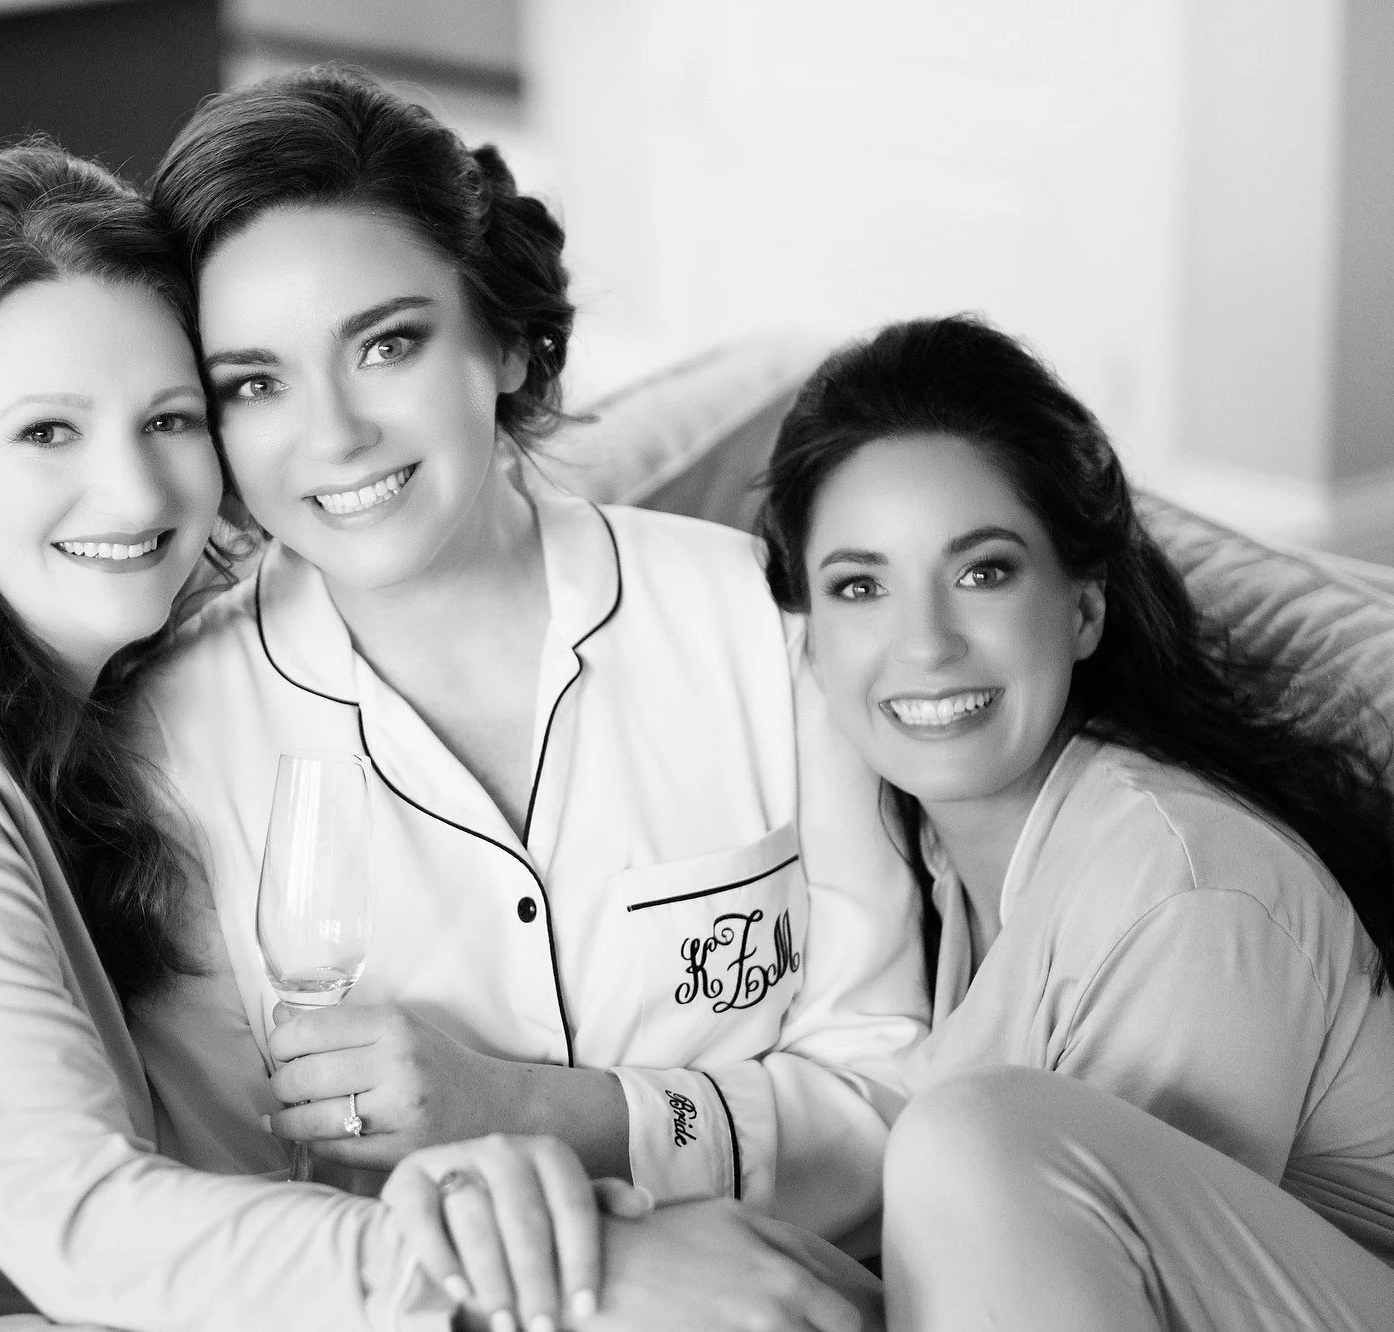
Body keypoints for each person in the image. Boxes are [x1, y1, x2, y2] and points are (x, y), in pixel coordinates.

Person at [0, 137, 770, 1332]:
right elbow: (86, 1225)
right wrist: (569, 1268)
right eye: (46, 432)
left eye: (172, 418)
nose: (133, 493)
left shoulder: (77, 721)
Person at [127, 64, 921, 1329]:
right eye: (253, 384)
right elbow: (224, 1219)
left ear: (499, 339)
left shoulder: (760, 629)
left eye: (385, 344)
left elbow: (887, 1091)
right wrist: (593, 1272)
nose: (330, 435)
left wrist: (547, 1117)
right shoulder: (168, 742)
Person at [756, 313, 1394, 1331]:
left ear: (1082, 610)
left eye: (981, 572)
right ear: (807, 638)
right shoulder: (905, 850)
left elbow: (1041, 1278)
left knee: (971, 1137)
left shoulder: (1181, 889)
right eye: (859, 586)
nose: (922, 644)